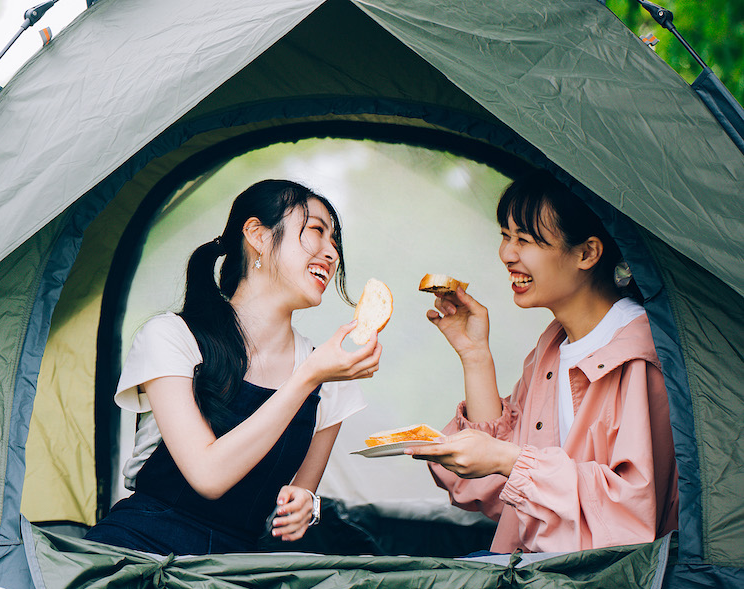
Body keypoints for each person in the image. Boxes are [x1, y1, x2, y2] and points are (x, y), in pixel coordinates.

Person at [85, 179, 378, 556]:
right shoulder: (172, 337)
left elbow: (299, 495)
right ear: (257, 235)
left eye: (335, 241)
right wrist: (307, 378)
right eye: (317, 231)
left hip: (235, 571)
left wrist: (306, 504)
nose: (332, 253)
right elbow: (208, 475)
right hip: (137, 550)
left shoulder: (329, 379)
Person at [416, 170, 678, 553]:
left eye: (525, 240)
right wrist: (475, 357)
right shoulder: (553, 348)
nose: (507, 254)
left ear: (587, 253)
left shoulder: (638, 356)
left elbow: (630, 517)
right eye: (505, 236)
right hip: (534, 575)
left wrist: (509, 459)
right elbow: (493, 489)